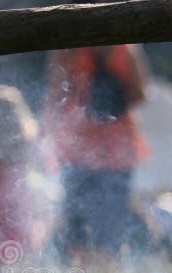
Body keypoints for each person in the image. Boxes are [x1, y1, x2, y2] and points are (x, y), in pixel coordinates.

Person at [42, 44, 151, 259]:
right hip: (103, 150)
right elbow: (139, 93)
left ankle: (94, 272)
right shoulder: (124, 49)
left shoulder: (69, 48)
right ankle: (99, 270)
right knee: (101, 222)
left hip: (94, 150)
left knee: (88, 222)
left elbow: (55, 94)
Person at [0, 84, 43, 257]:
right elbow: (39, 166)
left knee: (3, 246)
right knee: (24, 242)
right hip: (22, 194)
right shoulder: (29, 137)